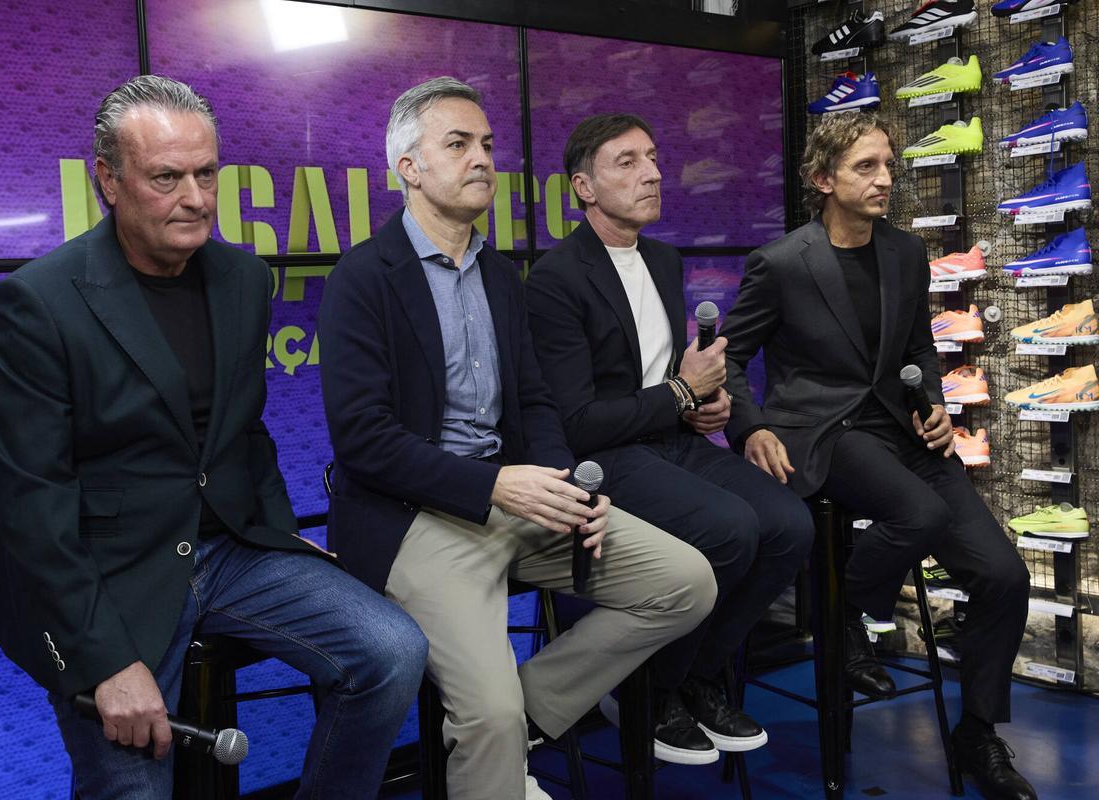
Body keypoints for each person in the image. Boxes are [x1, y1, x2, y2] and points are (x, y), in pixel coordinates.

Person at [0, 75, 427, 800]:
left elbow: (245, 432)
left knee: (392, 651)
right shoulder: (38, 302)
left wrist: (277, 533)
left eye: (207, 173)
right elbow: (32, 503)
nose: (195, 198)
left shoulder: (242, 276)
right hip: (102, 570)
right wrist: (104, 661)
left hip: (228, 548)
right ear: (108, 181)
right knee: (136, 791)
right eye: (166, 177)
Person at [319, 77, 718, 800]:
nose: (482, 159)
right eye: (458, 144)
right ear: (409, 167)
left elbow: (536, 402)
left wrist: (568, 481)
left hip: (520, 499)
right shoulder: (362, 277)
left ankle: (520, 717)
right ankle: (497, 733)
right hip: (417, 518)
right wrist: (495, 484)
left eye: (488, 146)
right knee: (489, 715)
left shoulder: (503, 275)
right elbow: (363, 439)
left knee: (685, 582)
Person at [720, 111, 1035, 800]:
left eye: (888, 165)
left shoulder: (904, 252)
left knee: (1006, 577)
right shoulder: (779, 263)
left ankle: (977, 731)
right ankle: (841, 622)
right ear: (822, 178)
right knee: (917, 513)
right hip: (824, 435)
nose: (885, 178)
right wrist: (749, 429)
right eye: (867, 167)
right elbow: (730, 360)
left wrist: (939, 405)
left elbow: (918, 346)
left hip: (902, 431)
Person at [525, 113, 814, 763]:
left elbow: (669, 382)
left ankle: (697, 675)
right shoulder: (555, 278)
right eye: (627, 162)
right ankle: (646, 691)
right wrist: (681, 395)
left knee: (790, 525)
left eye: (653, 157)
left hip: (671, 442)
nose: (652, 173)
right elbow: (574, 424)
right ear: (584, 187)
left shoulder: (661, 257)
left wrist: (703, 408)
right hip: (604, 460)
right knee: (732, 528)